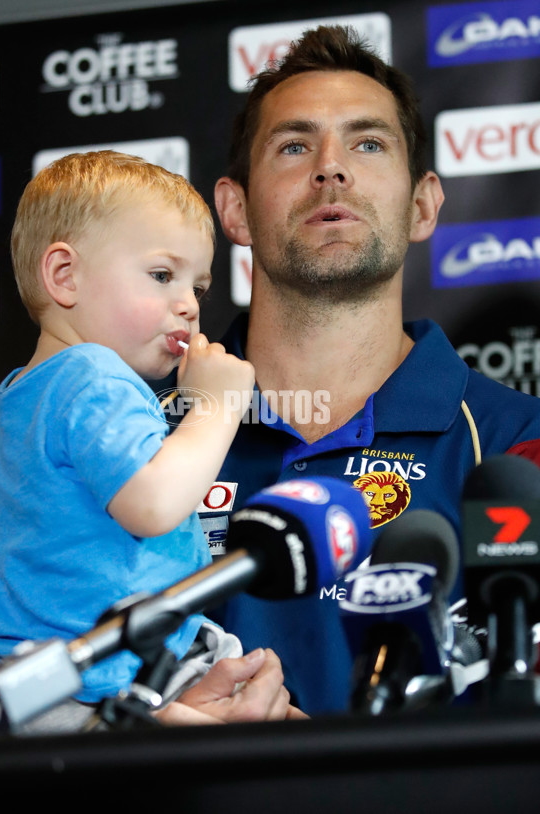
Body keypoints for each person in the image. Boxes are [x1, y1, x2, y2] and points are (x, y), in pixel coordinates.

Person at [195, 23, 540, 715]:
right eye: (295, 145)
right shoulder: (123, 429)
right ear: (234, 210)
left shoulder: (516, 446)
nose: (331, 167)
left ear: (422, 205)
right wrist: (147, 740)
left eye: (368, 142)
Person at [0, 149, 263, 734]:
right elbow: (154, 506)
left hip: (23, 692)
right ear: (64, 276)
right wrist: (217, 405)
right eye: (163, 275)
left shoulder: (1, 408)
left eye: (199, 286)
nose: (189, 305)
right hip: (113, 681)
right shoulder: (95, 373)